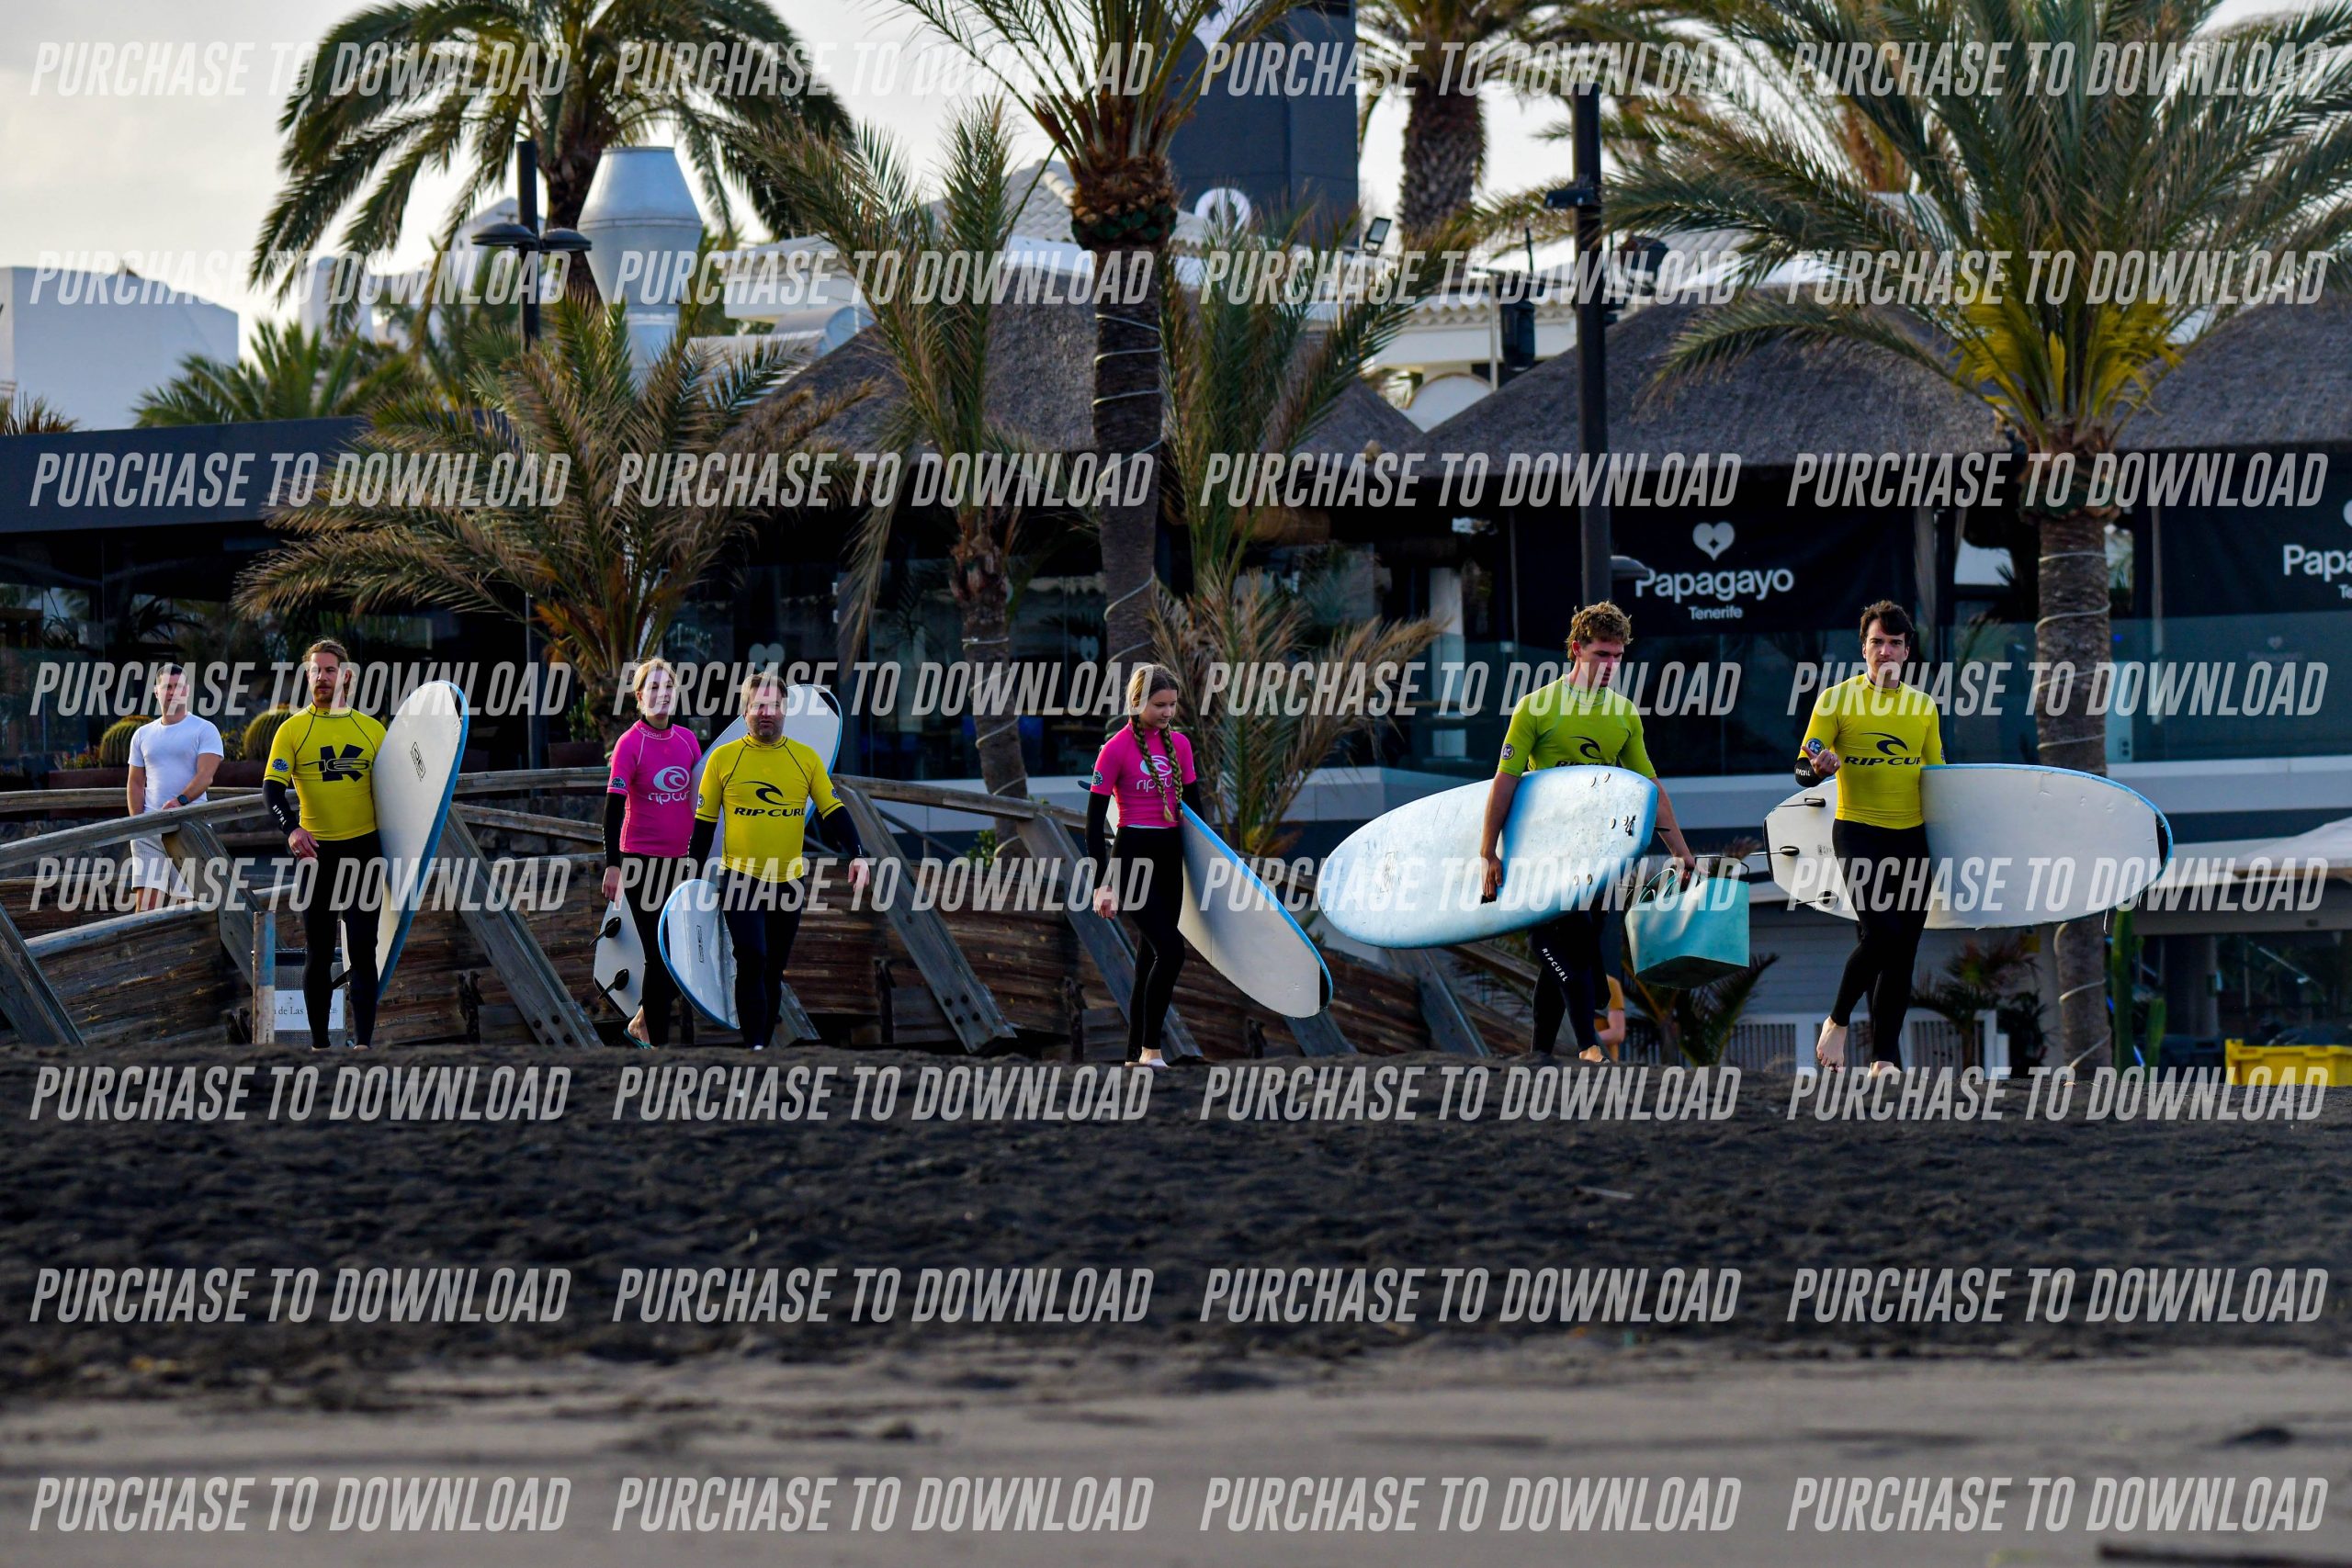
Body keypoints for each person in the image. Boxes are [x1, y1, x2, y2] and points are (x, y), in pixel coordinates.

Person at [1480, 602, 1695, 1061]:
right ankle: (1587, 1046)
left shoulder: (1623, 715)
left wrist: (1680, 850)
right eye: (1602, 654)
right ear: (1577, 649)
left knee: (1568, 955)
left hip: (1598, 855)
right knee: (1571, 944)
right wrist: (1487, 851)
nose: (1611, 665)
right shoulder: (1536, 708)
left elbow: (1650, 789)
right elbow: (1505, 782)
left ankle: (1539, 1053)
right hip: (1541, 851)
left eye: (1617, 656)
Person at [1798, 600, 1943, 1077]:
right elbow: (1804, 763)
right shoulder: (1836, 700)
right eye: (1877, 642)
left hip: (1912, 838)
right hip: (1859, 832)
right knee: (1881, 934)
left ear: (1907, 651)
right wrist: (1818, 767)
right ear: (1863, 647)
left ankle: (1884, 1059)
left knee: (1903, 952)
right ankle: (1837, 1021)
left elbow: (1938, 778)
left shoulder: (1923, 708)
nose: (1885, 652)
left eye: (1894, 643)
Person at [690, 673, 870, 1049]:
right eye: (759, 706)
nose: (766, 713)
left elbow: (833, 810)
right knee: (751, 957)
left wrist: (858, 855)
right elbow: (703, 825)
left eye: (774, 706)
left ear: (785, 710)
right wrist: (690, 877)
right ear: (745, 711)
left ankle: (763, 1046)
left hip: (788, 881)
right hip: (740, 879)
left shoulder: (805, 758)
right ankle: (754, 1046)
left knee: (773, 968)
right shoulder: (723, 759)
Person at [263, 640, 387, 1051]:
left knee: (363, 950)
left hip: (363, 853)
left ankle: (363, 1046)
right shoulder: (292, 729)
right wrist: (291, 830)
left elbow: (397, 794)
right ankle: (319, 1047)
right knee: (317, 952)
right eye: (315, 670)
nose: (322, 677)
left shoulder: (372, 730)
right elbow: (272, 790)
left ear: (345, 676)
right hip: (316, 856)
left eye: (330, 670)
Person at [1088, 664, 1204, 1070]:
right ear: (1137, 702)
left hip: (1170, 858)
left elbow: (1196, 812)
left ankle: (1133, 1056)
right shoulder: (1115, 749)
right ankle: (1152, 1051)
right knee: (1171, 952)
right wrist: (1102, 884)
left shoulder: (1181, 746)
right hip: (1132, 858)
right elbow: (1093, 823)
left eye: (1172, 704)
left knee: (1147, 962)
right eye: (1159, 705)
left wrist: (1212, 867)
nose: (1168, 712)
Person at [604, 659, 700, 1048]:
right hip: (640, 862)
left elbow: (700, 804)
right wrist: (613, 866)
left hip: (681, 862)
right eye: (654, 688)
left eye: (669, 687)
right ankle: (658, 1047)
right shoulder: (630, 744)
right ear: (640, 697)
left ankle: (643, 1019)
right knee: (659, 955)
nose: (662, 694)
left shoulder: (688, 741)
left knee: (683, 957)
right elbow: (613, 809)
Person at [125, 664, 224, 911]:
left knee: (188, 906)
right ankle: (144, 940)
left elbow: (205, 776)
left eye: (178, 687)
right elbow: (135, 782)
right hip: (150, 828)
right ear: (156, 692)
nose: (173, 692)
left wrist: (180, 802)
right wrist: (137, 822)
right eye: (167, 687)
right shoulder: (142, 735)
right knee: (146, 907)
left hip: (190, 826)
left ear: (187, 690)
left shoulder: (204, 729)